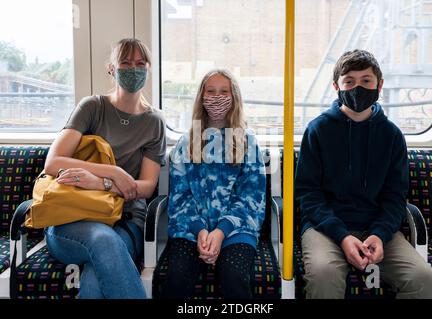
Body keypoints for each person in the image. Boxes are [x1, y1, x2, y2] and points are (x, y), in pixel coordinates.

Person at [295, 49, 432, 299]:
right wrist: (342, 236)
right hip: (325, 228)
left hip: (376, 228)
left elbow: (395, 195)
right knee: (323, 276)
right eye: (349, 82)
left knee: (425, 282)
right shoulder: (318, 130)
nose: (358, 88)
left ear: (379, 85)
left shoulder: (392, 136)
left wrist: (380, 233)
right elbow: (308, 194)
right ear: (336, 87)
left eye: (366, 81)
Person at [43, 38, 166, 299]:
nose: (133, 68)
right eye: (125, 62)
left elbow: (146, 187)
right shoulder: (92, 107)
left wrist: (101, 183)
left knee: (96, 278)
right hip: (72, 216)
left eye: (140, 63)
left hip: (127, 218)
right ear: (111, 68)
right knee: (103, 241)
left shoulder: (154, 122)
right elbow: (53, 163)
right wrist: (114, 172)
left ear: (148, 69)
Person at [157, 69, 266, 299]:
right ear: (201, 97)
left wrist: (220, 231)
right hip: (190, 230)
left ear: (234, 97)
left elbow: (251, 199)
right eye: (211, 91)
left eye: (224, 91)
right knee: (176, 277)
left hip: (236, 230)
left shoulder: (248, 143)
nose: (217, 97)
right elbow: (180, 197)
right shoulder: (186, 144)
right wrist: (201, 231)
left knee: (234, 277)